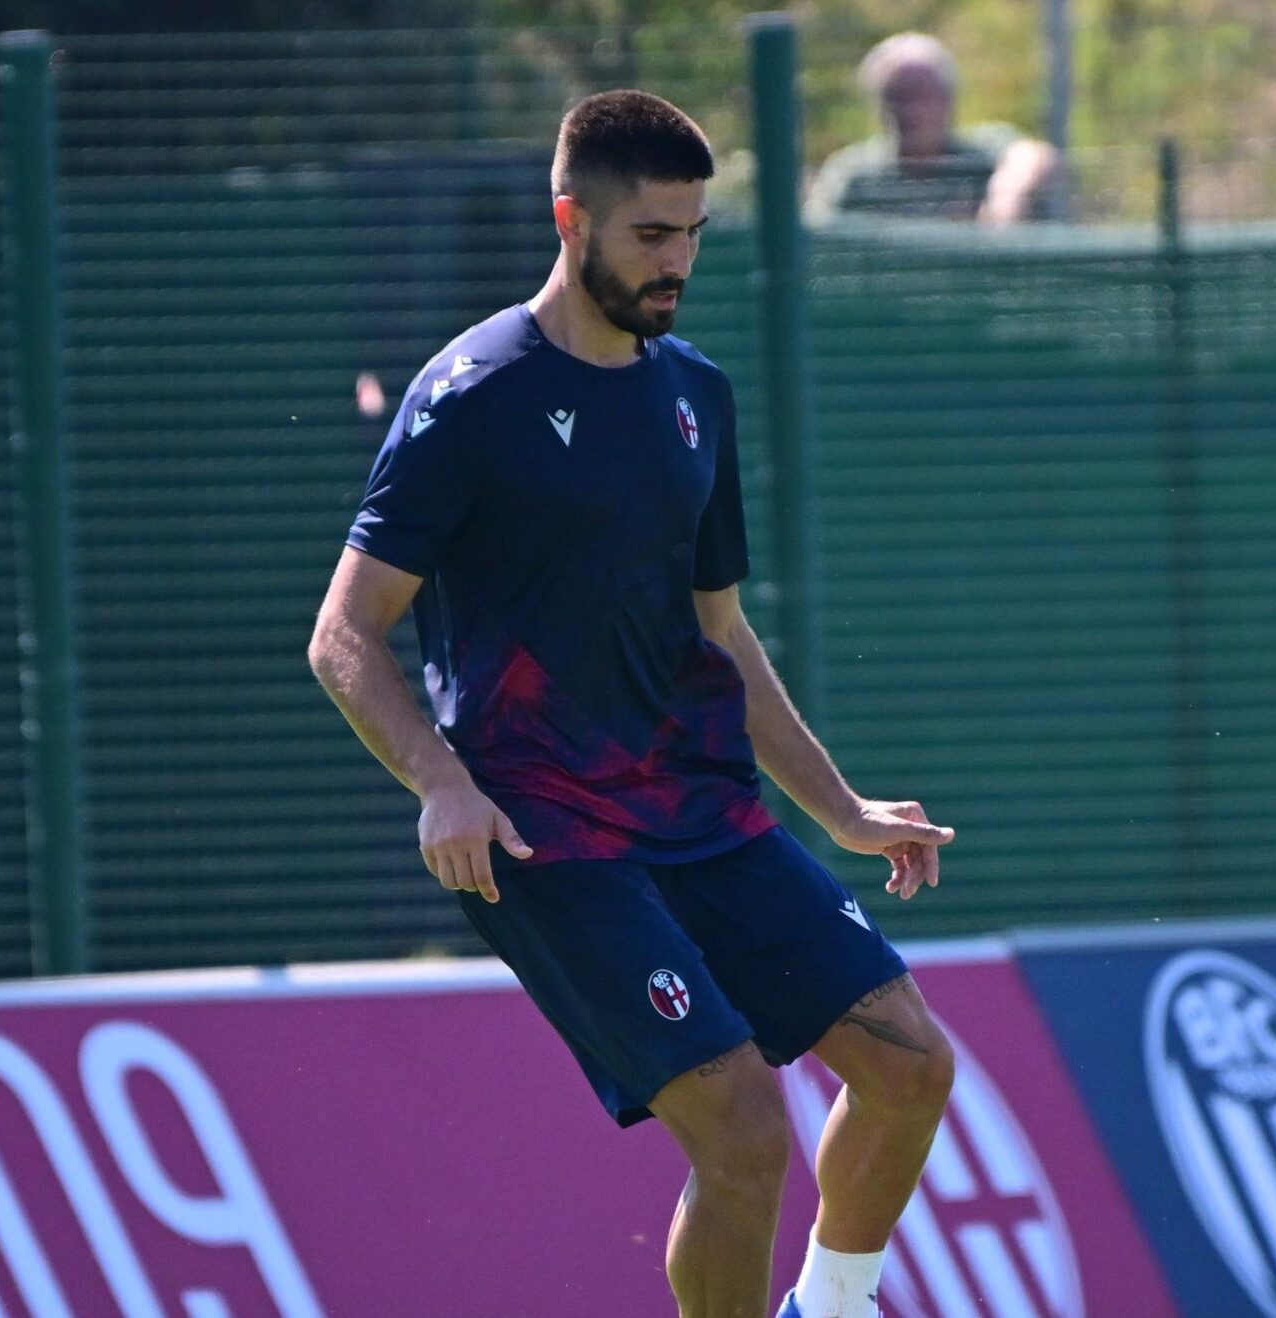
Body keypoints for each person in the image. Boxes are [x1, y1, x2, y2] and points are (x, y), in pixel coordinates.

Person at [308, 90, 957, 1318]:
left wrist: (841, 811)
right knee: (744, 1130)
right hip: (548, 831)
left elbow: (719, 635)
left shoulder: (694, 395)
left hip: (699, 808)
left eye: (696, 233)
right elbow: (343, 634)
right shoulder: (469, 398)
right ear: (571, 220)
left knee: (911, 1065)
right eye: (652, 235)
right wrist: (439, 778)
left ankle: (832, 1306)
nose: (679, 263)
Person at [806, 31, 1065, 225]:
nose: (909, 109)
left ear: (948, 100)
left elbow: (1034, 155)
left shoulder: (979, 155)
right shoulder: (856, 173)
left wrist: (1008, 197)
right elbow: (817, 234)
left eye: (921, 95)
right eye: (896, 95)